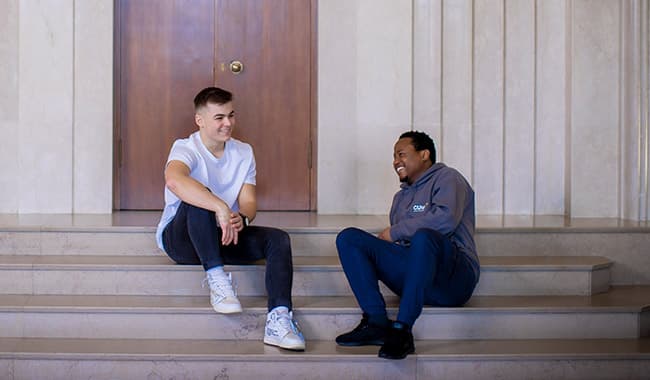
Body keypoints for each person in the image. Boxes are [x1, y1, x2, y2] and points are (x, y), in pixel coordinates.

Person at [155, 86, 305, 351]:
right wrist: (220, 206)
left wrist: (241, 219)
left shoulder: (244, 152)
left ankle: (279, 320)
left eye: (231, 115)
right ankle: (216, 278)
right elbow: (174, 181)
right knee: (199, 196)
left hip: (223, 234)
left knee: (278, 239)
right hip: (182, 241)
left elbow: (248, 202)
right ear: (200, 120)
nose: (228, 123)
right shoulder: (185, 147)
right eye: (219, 118)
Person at [334, 131, 480, 359]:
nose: (395, 162)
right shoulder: (400, 199)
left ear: (424, 154)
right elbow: (401, 244)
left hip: (454, 279)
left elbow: (446, 219)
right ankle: (376, 323)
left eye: (401, 154)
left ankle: (402, 331)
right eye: (393, 156)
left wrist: (395, 231)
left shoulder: (448, 178)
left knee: (424, 237)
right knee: (349, 238)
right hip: (418, 277)